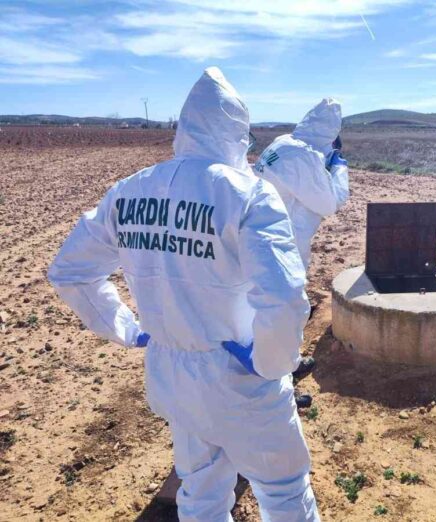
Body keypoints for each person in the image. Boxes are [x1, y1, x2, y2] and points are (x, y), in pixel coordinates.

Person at [48, 67, 320, 522]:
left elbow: (70, 272)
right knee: (283, 491)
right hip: (240, 376)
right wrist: (271, 364)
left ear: (185, 128)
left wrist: (130, 331)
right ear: (238, 134)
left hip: (172, 373)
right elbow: (285, 296)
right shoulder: (249, 196)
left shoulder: (130, 191)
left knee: (201, 491)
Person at [254, 98, 350, 401]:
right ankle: (279, 385)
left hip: (259, 237)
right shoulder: (306, 156)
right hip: (283, 244)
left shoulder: (282, 142)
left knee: (268, 309)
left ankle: (288, 363)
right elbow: (330, 203)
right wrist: (338, 170)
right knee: (285, 310)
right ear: (329, 136)